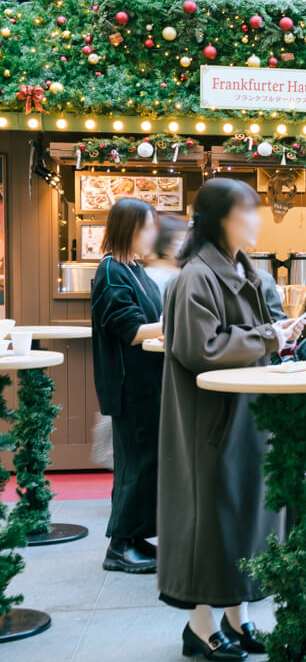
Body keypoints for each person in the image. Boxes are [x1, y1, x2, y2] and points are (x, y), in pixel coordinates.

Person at [157, 178, 305, 662]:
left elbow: (255, 332)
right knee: (215, 520)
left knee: (243, 517)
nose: (258, 220)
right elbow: (202, 349)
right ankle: (199, 626)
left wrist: (279, 333)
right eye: (248, 211)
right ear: (222, 218)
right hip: (213, 424)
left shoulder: (245, 271)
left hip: (247, 416)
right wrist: (267, 335)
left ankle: (236, 620)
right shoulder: (196, 278)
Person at [90, 198, 164, 574]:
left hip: (148, 381)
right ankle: (119, 546)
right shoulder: (111, 270)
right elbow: (131, 330)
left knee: (144, 462)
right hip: (131, 384)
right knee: (138, 463)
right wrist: (179, 321)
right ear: (129, 228)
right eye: (148, 227)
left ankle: (133, 538)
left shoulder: (134, 268)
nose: (154, 234)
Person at [144, 213, 189, 295]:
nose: (184, 243)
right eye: (179, 239)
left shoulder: (179, 270)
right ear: (164, 242)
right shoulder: (154, 276)